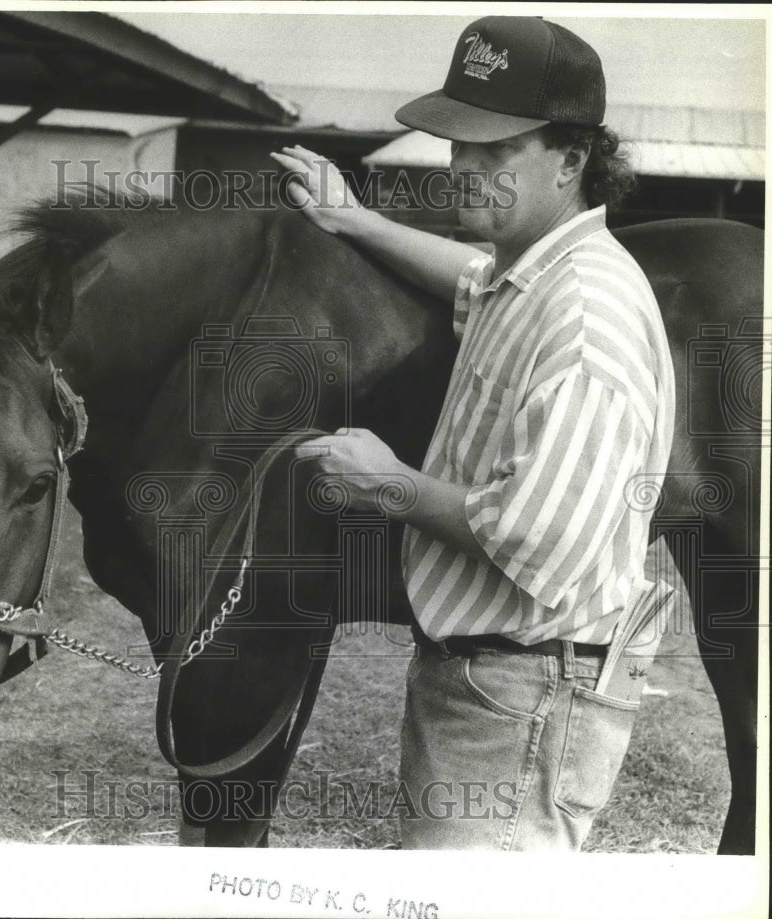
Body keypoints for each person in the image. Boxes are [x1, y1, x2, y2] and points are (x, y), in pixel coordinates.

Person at [272, 15, 675, 850]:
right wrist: (352, 219)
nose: (462, 168)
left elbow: (540, 539)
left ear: (571, 161)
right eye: (458, 145)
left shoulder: (586, 318)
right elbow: (472, 279)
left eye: (494, 154)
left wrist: (388, 480)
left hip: (526, 696)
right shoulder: (530, 274)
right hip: (491, 681)